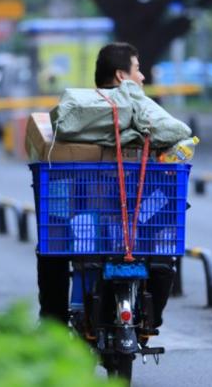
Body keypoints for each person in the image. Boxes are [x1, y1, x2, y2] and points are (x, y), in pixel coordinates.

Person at [37, 42, 176, 328]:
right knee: (162, 249)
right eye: (138, 69)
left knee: (52, 249)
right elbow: (176, 133)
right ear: (121, 76)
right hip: (134, 220)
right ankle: (151, 318)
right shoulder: (139, 107)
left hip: (82, 215)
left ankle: (53, 323)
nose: (143, 77)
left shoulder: (78, 108)